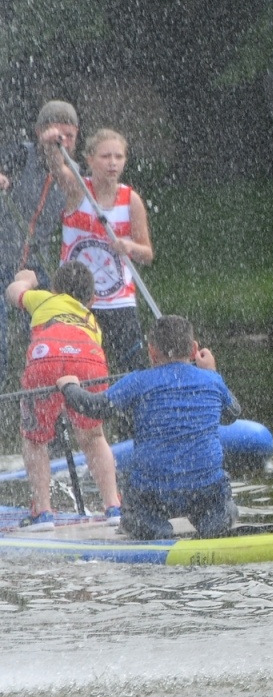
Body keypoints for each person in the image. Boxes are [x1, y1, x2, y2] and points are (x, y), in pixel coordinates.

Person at [56, 315, 243, 540]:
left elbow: (95, 408)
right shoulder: (212, 380)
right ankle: (213, 522)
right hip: (204, 492)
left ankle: (153, 529)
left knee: (137, 517)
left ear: (152, 352)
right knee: (225, 509)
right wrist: (212, 372)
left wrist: (69, 387)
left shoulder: (138, 381)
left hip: (154, 494)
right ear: (194, 349)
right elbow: (231, 414)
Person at [5, 262, 121, 527]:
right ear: (91, 300)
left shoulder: (44, 298)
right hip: (89, 359)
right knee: (93, 436)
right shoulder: (90, 319)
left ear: (55, 289)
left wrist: (26, 281)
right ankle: (113, 505)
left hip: (45, 357)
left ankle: (43, 511)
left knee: (36, 439)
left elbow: (13, 293)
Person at [57, 128, 153, 372]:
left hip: (119, 301)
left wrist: (129, 246)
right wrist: (51, 146)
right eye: (105, 157)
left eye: (118, 157)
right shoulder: (77, 189)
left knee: (131, 367)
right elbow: (57, 168)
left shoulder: (131, 200)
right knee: (79, 365)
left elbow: (147, 254)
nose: (112, 163)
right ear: (89, 159)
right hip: (76, 299)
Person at [0, 101, 80, 381]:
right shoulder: (20, 155)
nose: (63, 142)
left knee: (50, 326)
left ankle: (43, 381)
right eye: (57, 135)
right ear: (39, 132)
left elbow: (73, 191)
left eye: (69, 137)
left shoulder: (72, 171)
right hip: (1, 257)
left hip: (36, 265)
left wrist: (56, 158)